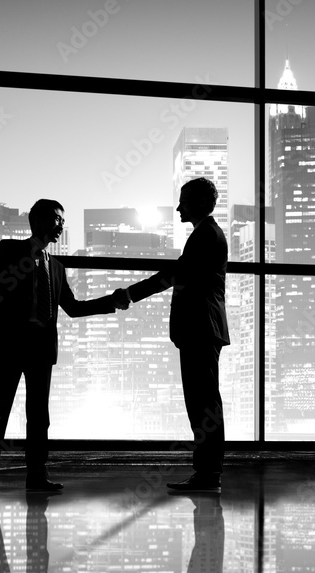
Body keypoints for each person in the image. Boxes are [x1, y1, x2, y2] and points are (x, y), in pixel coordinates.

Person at [0, 199, 126, 492]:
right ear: (38, 221)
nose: (61, 225)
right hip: (9, 346)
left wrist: (110, 303)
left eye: (63, 220)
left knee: (39, 415)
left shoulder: (56, 267)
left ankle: (37, 476)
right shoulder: (10, 251)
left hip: (41, 351)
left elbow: (73, 307)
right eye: (57, 219)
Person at [113, 177, 229, 491]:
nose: (178, 207)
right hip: (201, 329)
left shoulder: (206, 235)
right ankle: (207, 472)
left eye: (184, 200)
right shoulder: (206, 234)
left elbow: (176, 274)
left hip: (201, 329)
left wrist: (131, 294)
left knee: (203, 404)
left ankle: (208, 474)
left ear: (202, 203)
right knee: (203, 402)